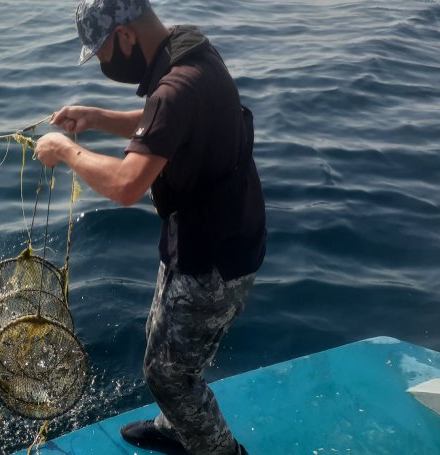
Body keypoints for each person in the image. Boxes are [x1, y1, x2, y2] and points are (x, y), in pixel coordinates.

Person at [34, 1, 266, 454]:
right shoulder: (187, 48)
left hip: (215, 257)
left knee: (169, 375)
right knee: (160, 342)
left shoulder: (176, 86)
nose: (103, 66)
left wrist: (64, 150)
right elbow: (162, 126)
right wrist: (98, 118)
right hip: (203, 234)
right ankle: (177, 427)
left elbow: (126, 185)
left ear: (124, 37)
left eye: (101, 54)